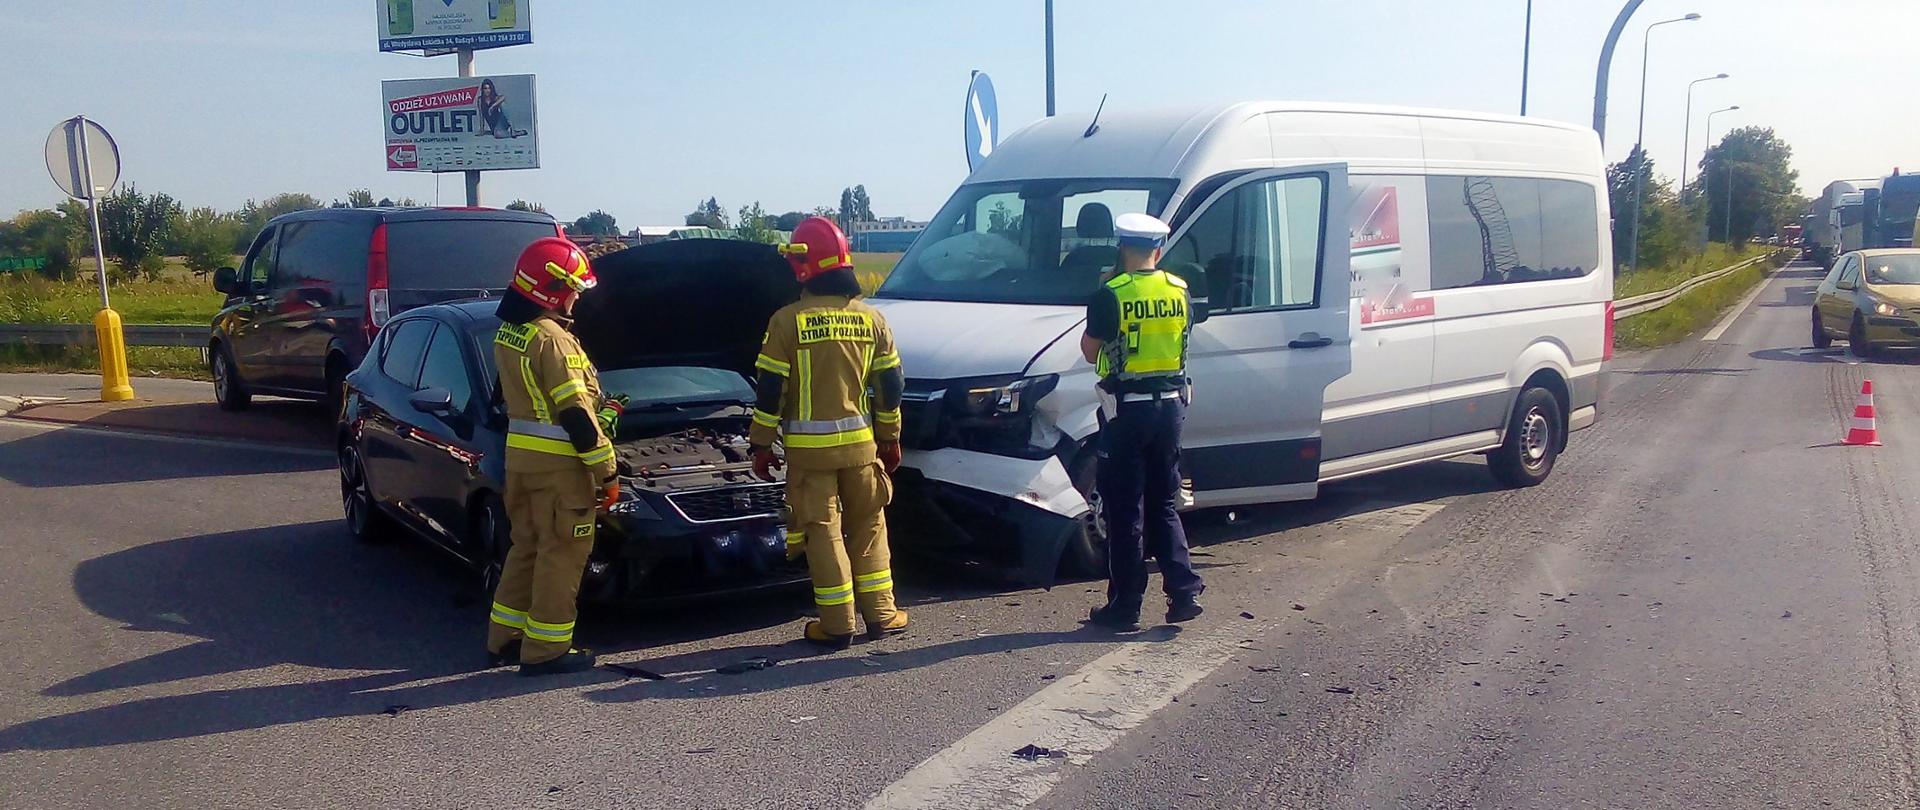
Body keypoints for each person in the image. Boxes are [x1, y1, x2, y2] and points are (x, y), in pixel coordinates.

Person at [749, 216, 909, 650]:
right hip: (861, 447)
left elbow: (770, 391)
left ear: (804, 267)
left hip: (809, 453)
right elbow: (891, 385)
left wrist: (761, 444)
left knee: (824, 532)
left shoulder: (786, 322)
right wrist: (890, 437)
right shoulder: (871, 319)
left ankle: (838, 624)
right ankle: (882, 614)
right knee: (870, 524)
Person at [486, 237, 620, 676]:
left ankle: (505, 637)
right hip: (561, 470)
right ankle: (547, 650)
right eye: (574, 288)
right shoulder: (554, 341)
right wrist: (607, 470)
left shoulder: (510, 333)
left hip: (521, 465)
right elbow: (575, 415)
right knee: (562, 555)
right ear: (553, 289)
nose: (578, 297)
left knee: (526, 547)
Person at [1079, 212, 1204, 630]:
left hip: (1127, 410)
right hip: (1172, 407)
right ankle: (1183, 592)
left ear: (1122, 247)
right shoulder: (1180, 290)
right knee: (1163, 502)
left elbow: (1088, 350)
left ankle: (1126, 605)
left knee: (1123, 508)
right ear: (1159, 249)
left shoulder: (1110, 293)